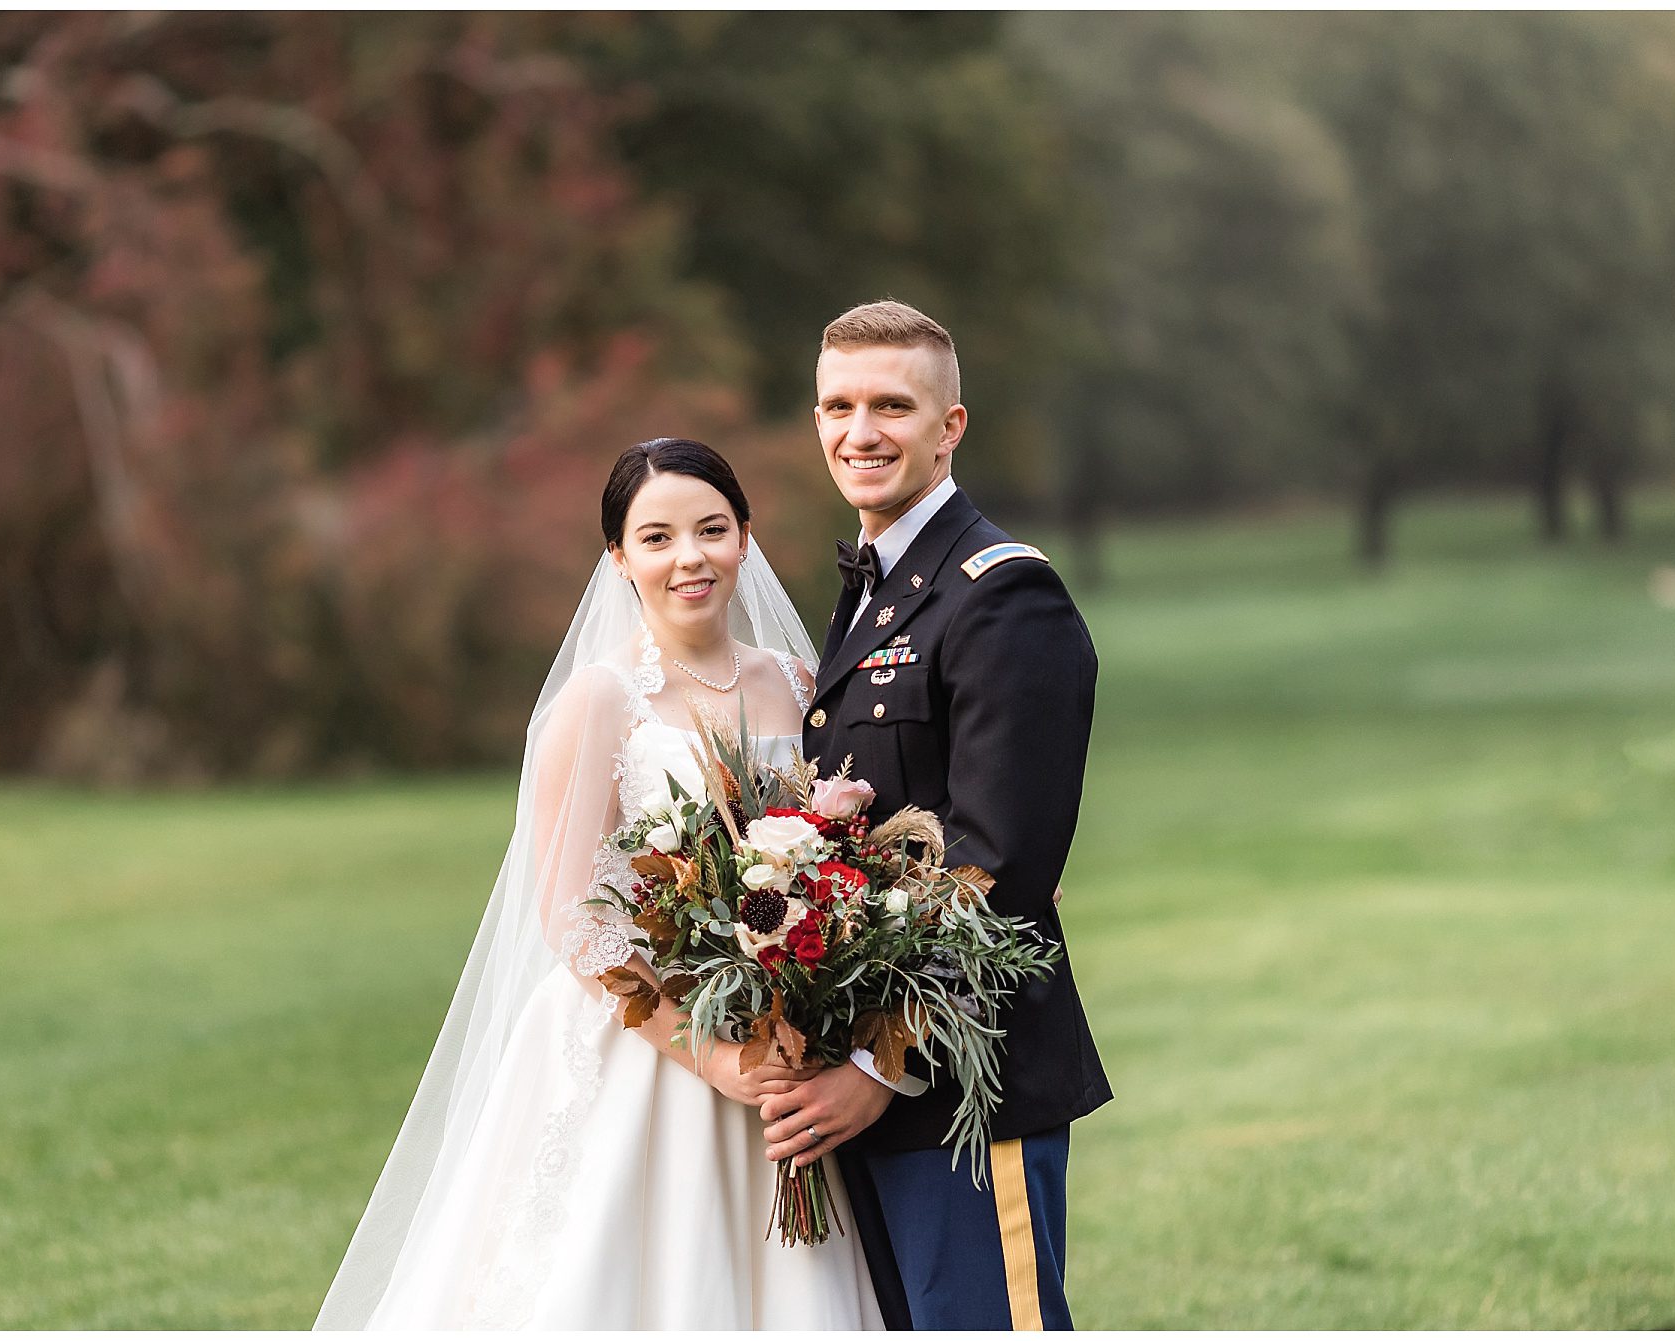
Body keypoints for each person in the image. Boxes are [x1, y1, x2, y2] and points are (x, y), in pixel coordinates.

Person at [314, 438, 883, 1329]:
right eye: (656, 538)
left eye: (711, 529)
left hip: (778, 1038)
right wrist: (711, 1054)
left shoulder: (800, 683)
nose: (689, 557)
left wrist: (790, 998)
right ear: (619, 557)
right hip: (644, 1040)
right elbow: (570, 914)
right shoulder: (598, 701)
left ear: (745, 536)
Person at [759, 300, 1114, 1330]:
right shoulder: (872, 591)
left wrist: (879, 1065)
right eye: (836, 405)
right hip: (865, 1096)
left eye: (889, 405)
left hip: (963, 1089)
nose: (857, 431)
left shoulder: (1002, 596)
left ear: (948, 426)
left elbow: (997, 866)